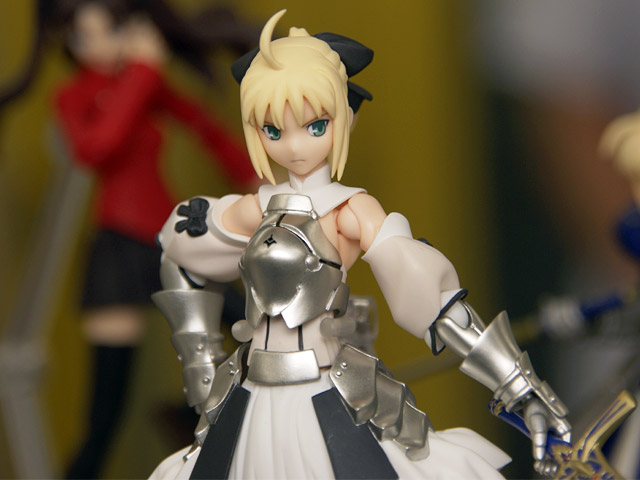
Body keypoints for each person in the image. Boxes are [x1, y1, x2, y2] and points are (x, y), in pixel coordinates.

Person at [150, 10, 570, 479]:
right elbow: (178, 251)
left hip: (323, 393)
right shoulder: (257, 208)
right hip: (251, 395)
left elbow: (433, 302)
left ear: (344, 118)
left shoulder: (349, 211)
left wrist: (518, 385)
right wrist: (201, 365)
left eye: (315, 126)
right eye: (273, 130)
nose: (294, 146)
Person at [0, 1, 259, 477]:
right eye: (82, 35)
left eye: (110, 29)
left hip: (170, 241)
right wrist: (141, 71)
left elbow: (203, 125)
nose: (97, 44)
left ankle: (189, 416)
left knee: (258, 328)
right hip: (118, 248)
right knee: (106, 413)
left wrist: (251, 177)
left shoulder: (145, 83)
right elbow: (96, 147)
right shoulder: (76, 95)